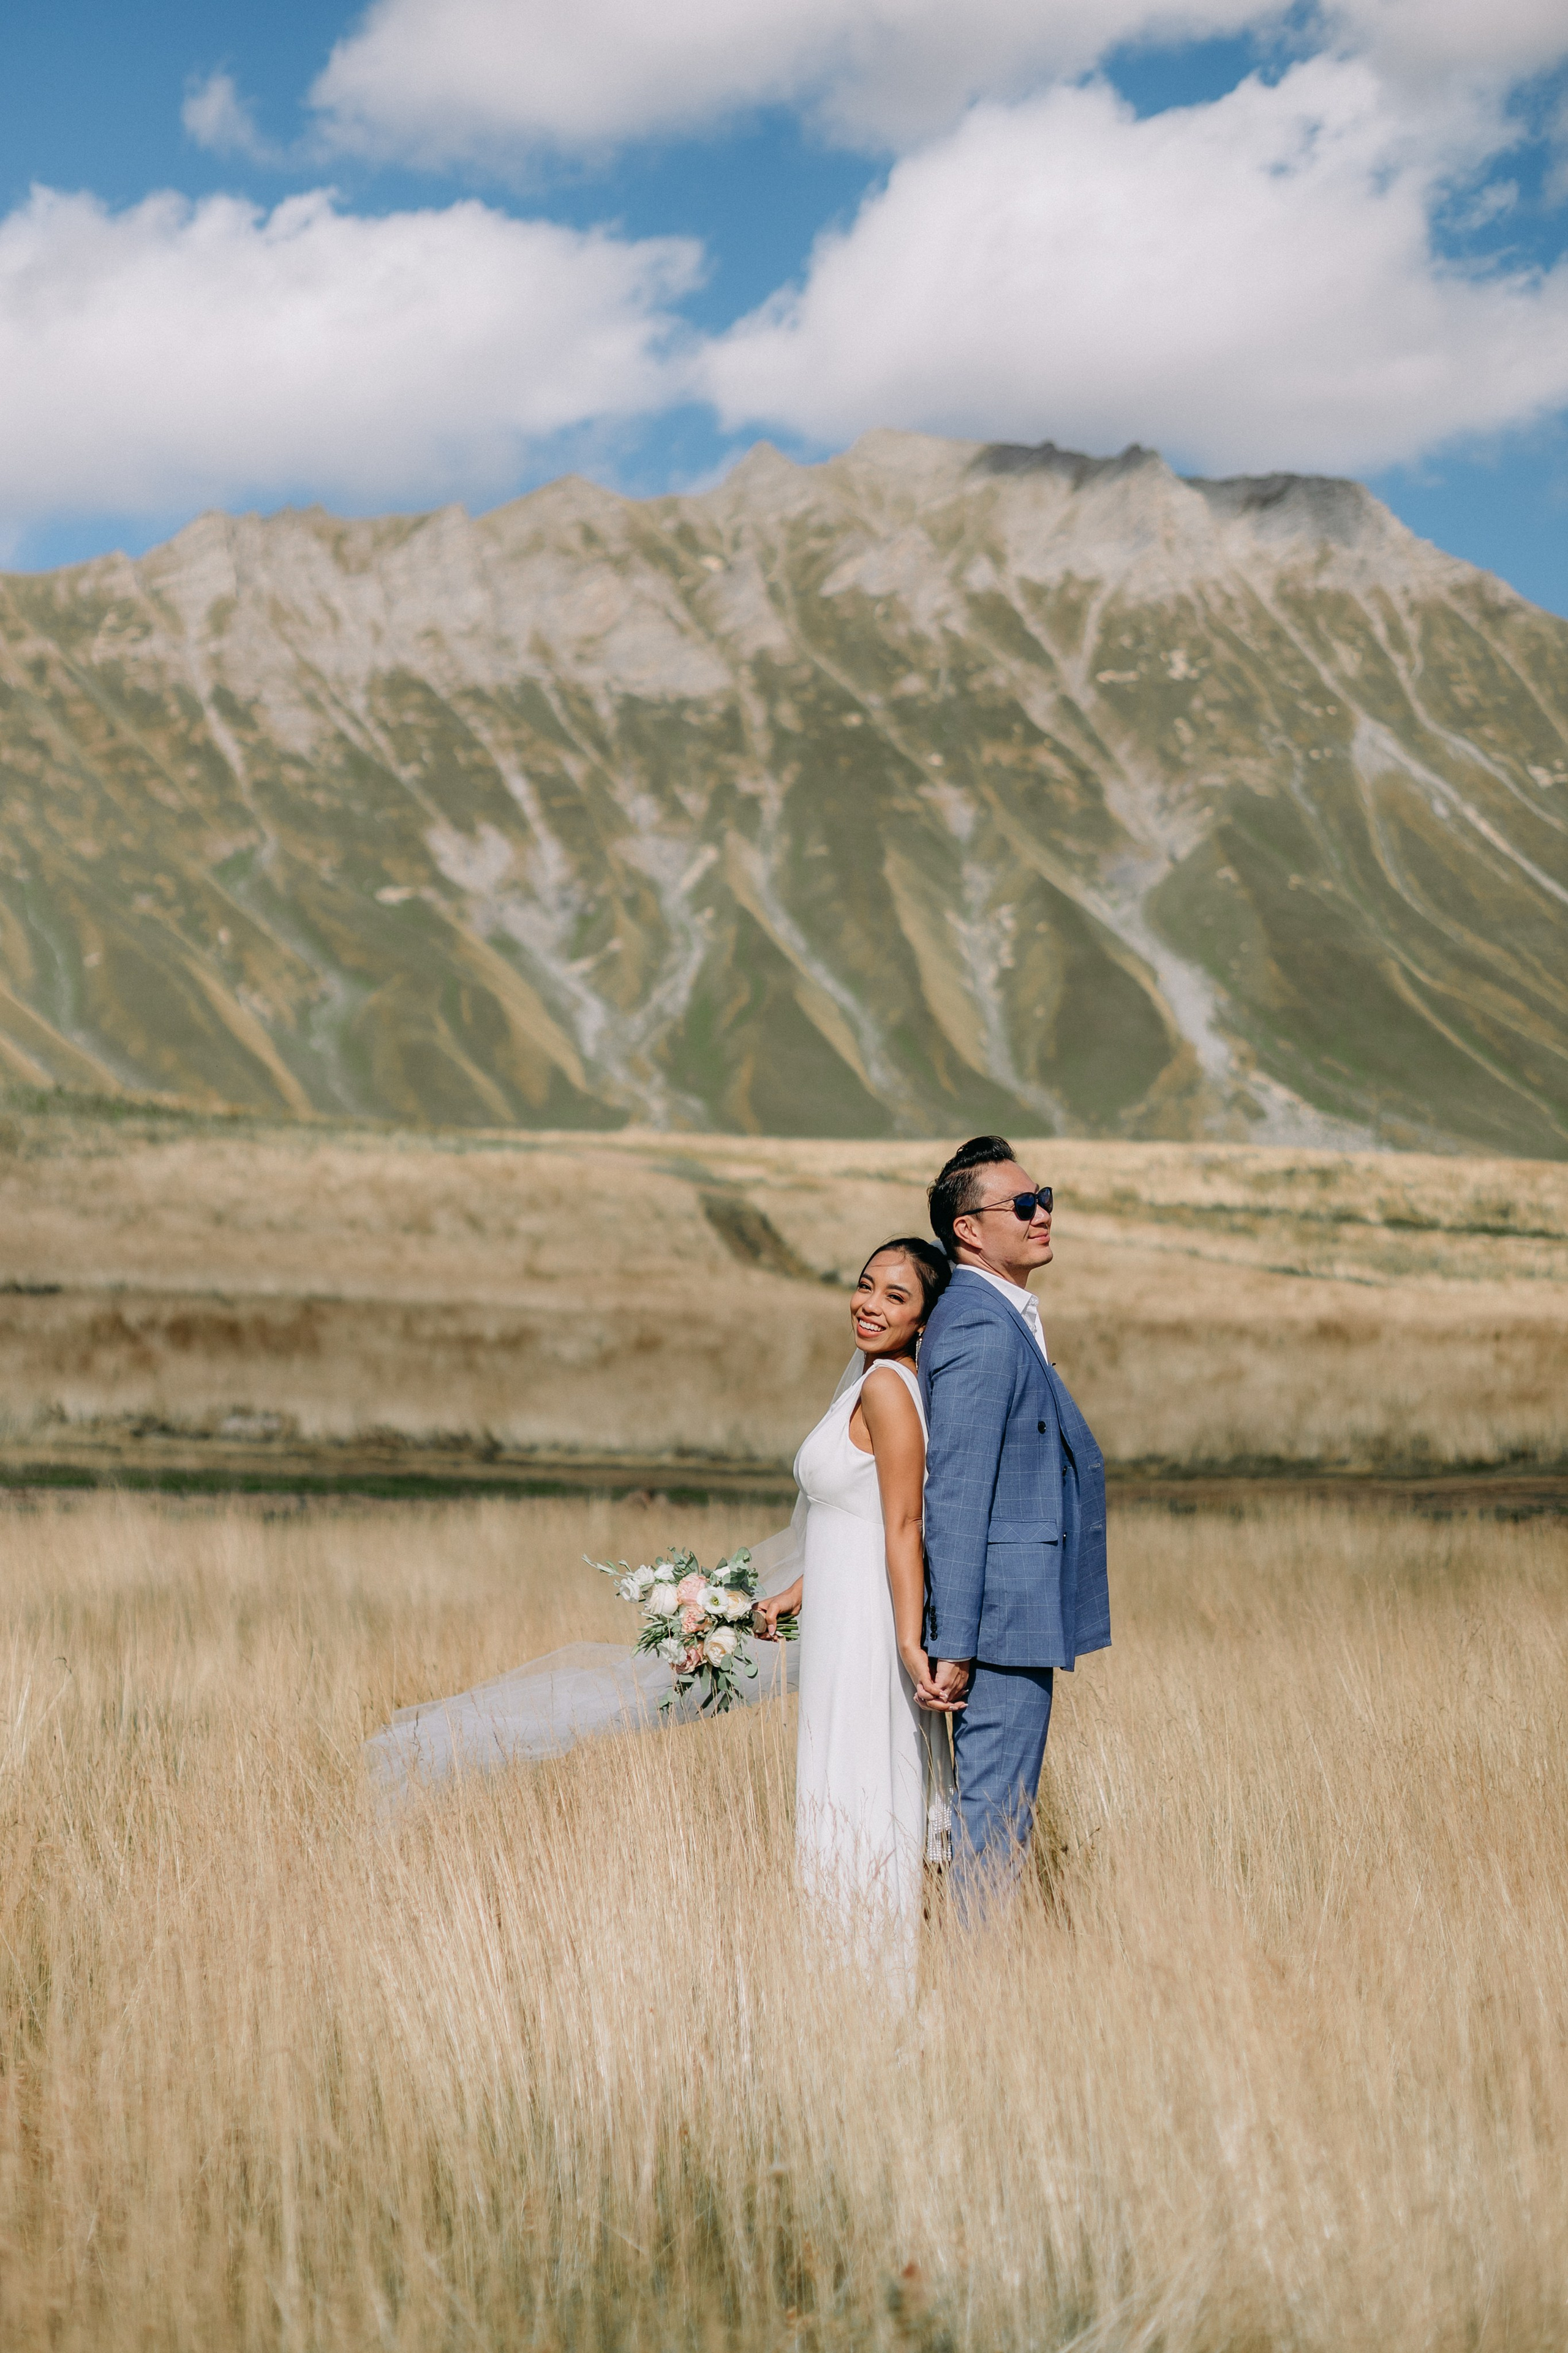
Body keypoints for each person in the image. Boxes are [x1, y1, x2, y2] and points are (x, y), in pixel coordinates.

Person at [756, 1237, 960, 1970]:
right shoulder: (873, 1378)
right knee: (840, 1789)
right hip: (842, 1615)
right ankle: (840, 1984)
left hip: (873, 1629)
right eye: (865, 1285)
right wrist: (798, 1591)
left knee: (863, 1791)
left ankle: (870, 1990)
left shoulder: (886, 1388)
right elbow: (863, 1516)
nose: (870, 1304)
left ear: (926, 1320)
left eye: (896, 1297)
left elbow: (907, 1524)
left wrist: (909, 1647)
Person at [921, 1136, 1110, 1921]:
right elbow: (957, 1494)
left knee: (998, 1815)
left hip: (1007, 1618)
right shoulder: (978, 1326)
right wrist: (956, 1642)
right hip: (998, 1624)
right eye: (1023, 1205)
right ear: (968, 1229)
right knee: (994, 1820)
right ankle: (978, 1999)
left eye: (1046, 1199)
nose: (1043, 1216)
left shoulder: (999, 1315)